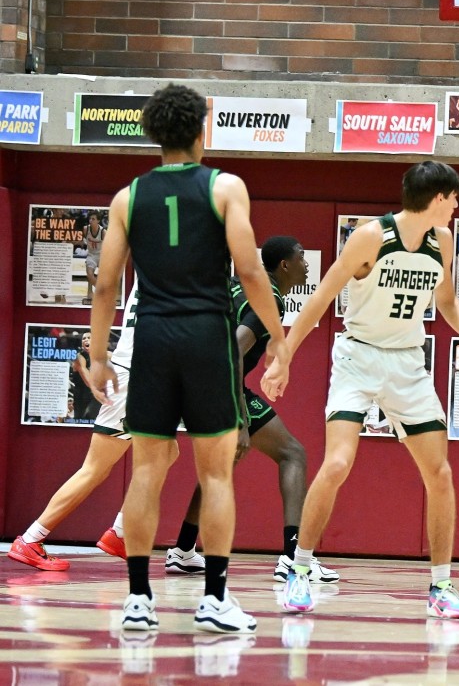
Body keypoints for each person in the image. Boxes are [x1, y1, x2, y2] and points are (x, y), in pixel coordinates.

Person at [264, 161, 459, 620]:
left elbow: (447, 302)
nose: (457, 206)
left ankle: (441, 585)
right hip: (358, 358)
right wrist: (284, 357)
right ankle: (298, 569)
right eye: (454, 198)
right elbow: (319, 300)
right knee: (337, 463)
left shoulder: (443, 242)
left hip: (407, 364)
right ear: (437, 198)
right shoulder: (370, 237)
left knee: (440, 473)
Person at [87, 83, 291, 635]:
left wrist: (100, 356)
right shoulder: (226, 188)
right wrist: (278, 340)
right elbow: (251, 272)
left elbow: (106, 284)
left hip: (151, 338)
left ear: (153, 133)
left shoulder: (128, 196)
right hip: (206, 338)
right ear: (203, 129)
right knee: (215, 471)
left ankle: (137, 600)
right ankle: (215, 600)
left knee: (147, 470)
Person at [164, 236, 339, 584]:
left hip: (190, 379)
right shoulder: (267, 299)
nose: (307, 265)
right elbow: (232, 352)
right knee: (293, 454)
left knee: (220, 466)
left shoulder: (237, 285)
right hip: (217, 382)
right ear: (285, 265)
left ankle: (183, 551)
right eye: (302, 257)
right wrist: (241, 419)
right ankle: (293, 556)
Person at [8, 282, 156, 572]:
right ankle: (32, 538)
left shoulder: (151, 262)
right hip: (138, 377)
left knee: (164, 454)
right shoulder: (174, 264)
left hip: (137, 373)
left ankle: (120, 533)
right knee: (96, 468)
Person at [82, 212, 105, 301]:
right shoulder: (85, 229)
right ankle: (99, 293)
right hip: (91, 254)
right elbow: (81, 241)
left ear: (98, 221)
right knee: (90, 275)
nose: (90, 220)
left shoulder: (103, 232)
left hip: (102, 255)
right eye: (90, 218)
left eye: (93, 219)